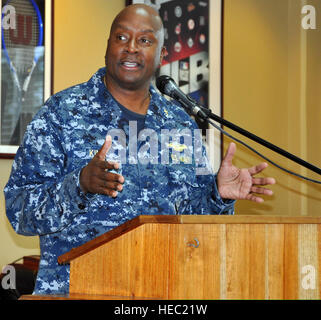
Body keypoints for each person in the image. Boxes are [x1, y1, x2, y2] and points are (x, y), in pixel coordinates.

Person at [4, 4, 275, 295]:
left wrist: (217, 195)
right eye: (121, 38)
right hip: (78, 290)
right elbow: (19, 210)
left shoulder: (180, 124)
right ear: (108, 46)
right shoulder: (61, 114)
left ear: (161, 55)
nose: (131, 48)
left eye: (144, 40)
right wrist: (79, 184)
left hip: (163, 291)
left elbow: (192, 222)